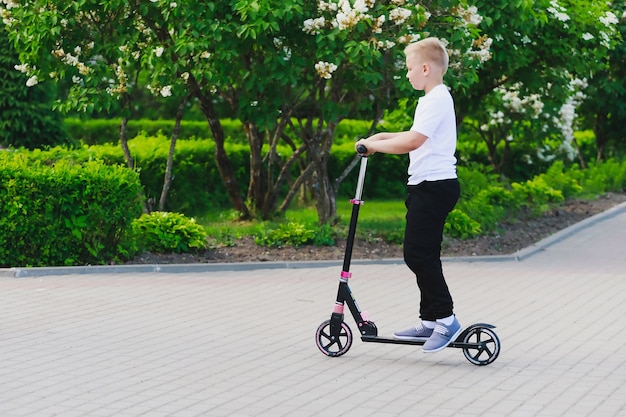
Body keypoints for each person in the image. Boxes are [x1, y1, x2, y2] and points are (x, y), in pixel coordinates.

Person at [355, 37, 461, 353]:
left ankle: (446, 319)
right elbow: (416, 136)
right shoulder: (433, 98)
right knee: (422, 253)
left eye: (410, 68)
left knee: (418, 255)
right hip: (427, 186)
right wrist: (383, 137)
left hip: (434, 187)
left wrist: (376, 146)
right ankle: (429, 321)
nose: (407, 74)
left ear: (425, 68)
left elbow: (413, 142)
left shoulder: (436, 99)